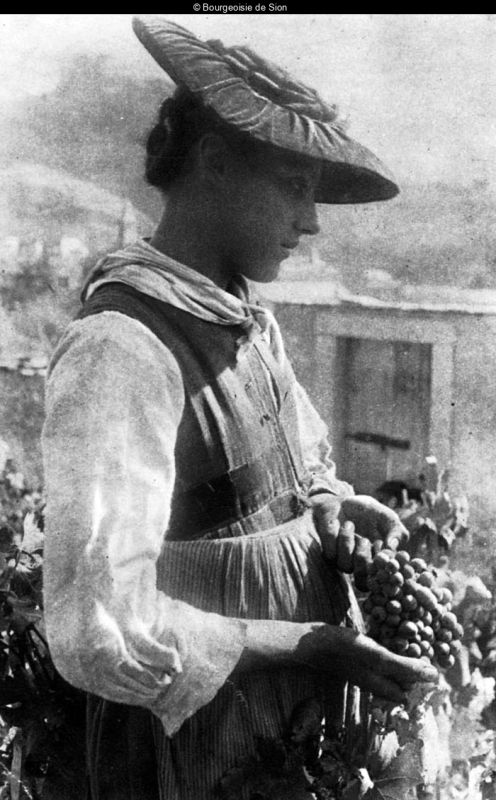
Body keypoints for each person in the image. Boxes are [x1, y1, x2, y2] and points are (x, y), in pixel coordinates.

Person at [41, 16, 437, 800]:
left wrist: (330, 507)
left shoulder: (241, 315)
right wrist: (300, 645)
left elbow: (295, 459)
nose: (312, 221)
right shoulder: (122, 350)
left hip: (282, 721)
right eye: (295, 186)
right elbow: (97, 628)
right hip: (193, 741)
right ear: (214, 162)